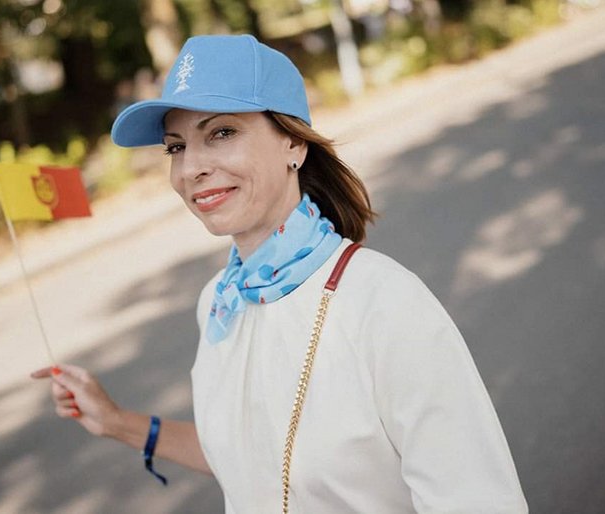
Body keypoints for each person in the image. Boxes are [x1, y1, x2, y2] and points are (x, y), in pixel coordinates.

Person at [31, 34, 527, 513]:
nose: (191, 169)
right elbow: (252, 460)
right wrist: (119, 422)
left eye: (221, 133)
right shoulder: (219, 301)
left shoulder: (385, 302)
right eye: (176, 147)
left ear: (293, 143)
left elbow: (478, 499)